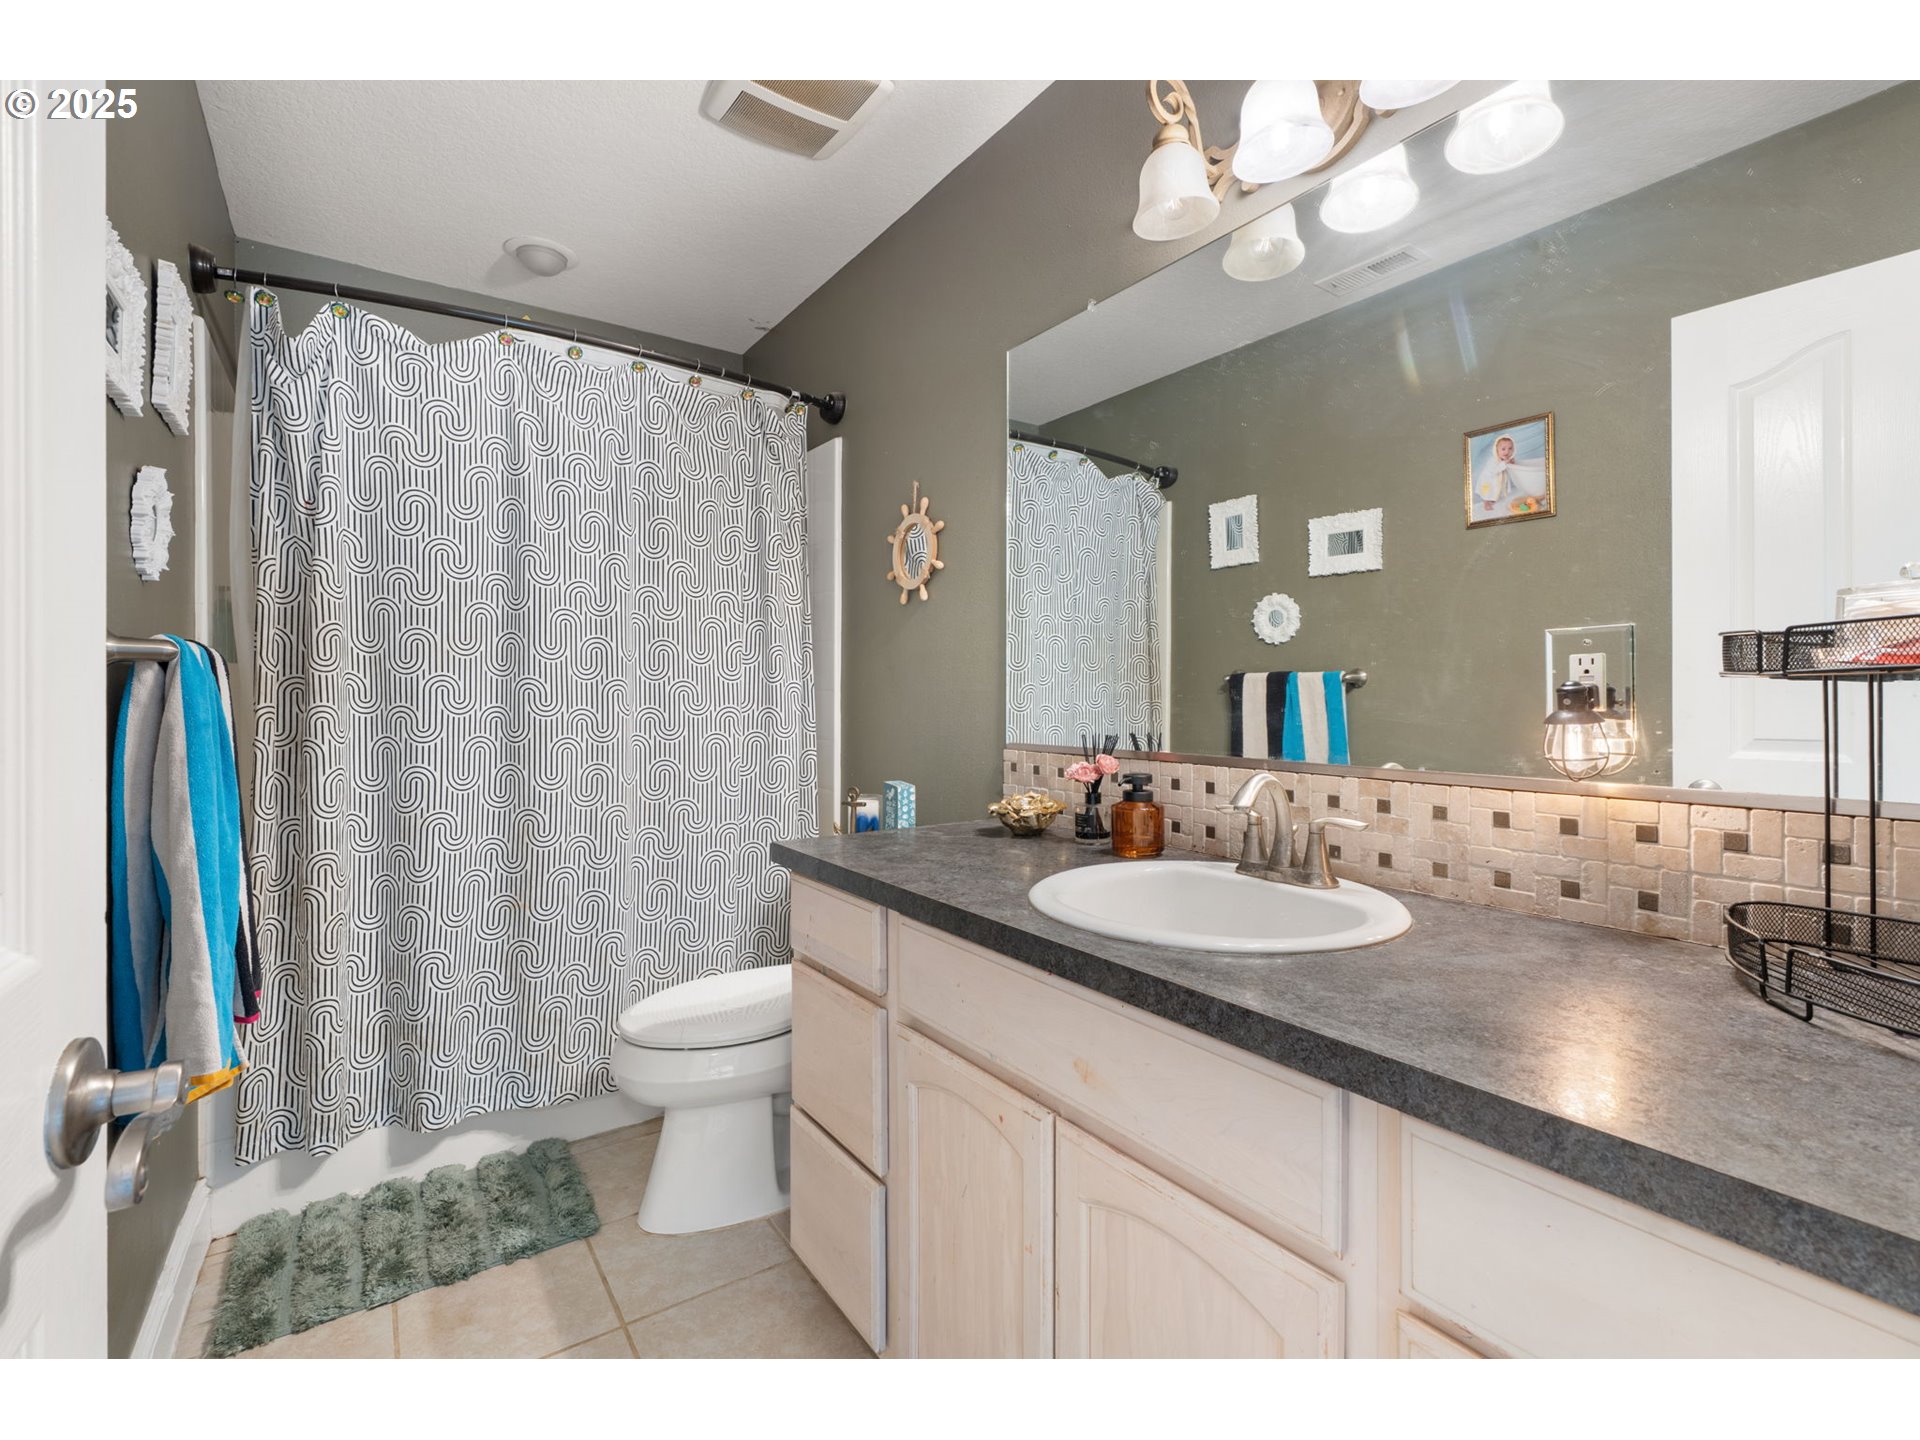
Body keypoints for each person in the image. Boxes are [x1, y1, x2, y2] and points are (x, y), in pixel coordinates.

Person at [1473, 431, 1549, 515]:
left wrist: (1511, 462)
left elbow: (1508, 466)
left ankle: (1492, 499)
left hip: (1496, 480)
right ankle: (1486, 503)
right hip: (1488, 479)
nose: (1507, 452)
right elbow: (1494, 470)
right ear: (1496, 450)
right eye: (1503, 449)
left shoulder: (1504, 459)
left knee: (1495, 491)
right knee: (1488, 492)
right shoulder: (1492, 460)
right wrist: (1505, 463)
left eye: (1510, 448)